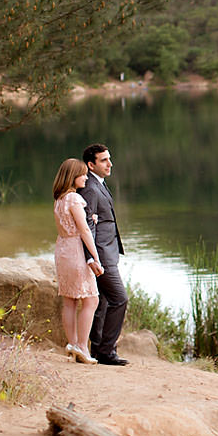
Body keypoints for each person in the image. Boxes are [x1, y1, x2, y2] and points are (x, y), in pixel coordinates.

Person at [79, 143, 129, 366]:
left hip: (107, 251)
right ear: (91, 165)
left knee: (104, 302)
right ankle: (107, 351)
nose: (110, 164)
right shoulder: (90, 187)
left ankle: (98, 349)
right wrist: (91, 257)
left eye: (109, 158)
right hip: (101, 254)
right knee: (120, 298)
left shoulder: (98, 183)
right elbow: (87, 225)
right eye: (104, 160)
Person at [52, 159, 103, 365]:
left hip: (62, 249)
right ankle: (82, 346)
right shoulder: (74, 199)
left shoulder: (59, 199)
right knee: (91, 299)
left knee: (70, 300)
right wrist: (95, 257)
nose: (85, 177)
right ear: (72, 176)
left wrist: (91, 218)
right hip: (75, 252)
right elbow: (83, 231)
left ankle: (73, 344)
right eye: (82, 174)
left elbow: (75, 223)